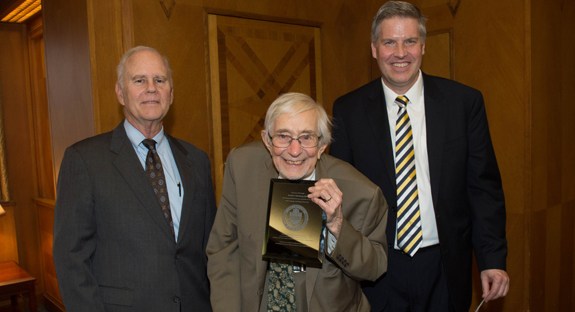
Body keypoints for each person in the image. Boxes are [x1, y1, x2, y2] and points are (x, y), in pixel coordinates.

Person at [330, 2, 510, 311]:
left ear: (423, 46)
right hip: (378, 270)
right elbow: (341, 195)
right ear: (374, 49)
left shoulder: (464, 104)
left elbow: (484, 190)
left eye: (410, 41)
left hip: (445, 266)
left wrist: (492, 260)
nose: (400, 52)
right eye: (389, 42)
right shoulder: (348, 111)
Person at [53, 46, 216, 312]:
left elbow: (210, 247)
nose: (151, 88)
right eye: (139, 80)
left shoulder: (197, 160)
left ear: (171, 94)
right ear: (120, 92)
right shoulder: (84, 160)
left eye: (160, 80)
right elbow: (71, 259)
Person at [206, 92, 388, 311]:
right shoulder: (242, 167)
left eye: (306, 137)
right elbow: (223, 249)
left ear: (322, 145)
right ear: (267, 140)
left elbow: (375, 268)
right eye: (283, 136)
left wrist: (337, 225)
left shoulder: (362, 193)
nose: (294, 151)